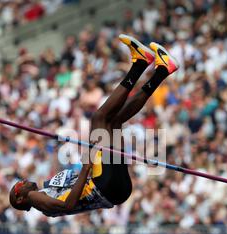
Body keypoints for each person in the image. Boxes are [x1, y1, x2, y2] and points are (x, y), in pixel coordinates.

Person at [9, 34, 178, 217]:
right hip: (103, 185)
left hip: (114, 190)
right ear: (20, 199)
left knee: (114, 122)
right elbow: (68, 205)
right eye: (20, 185)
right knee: (99, 118)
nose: (24, 181)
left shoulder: (44, 195)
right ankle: (139, 64)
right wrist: (86, 167)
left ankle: (162, 70)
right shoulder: (34, 198)